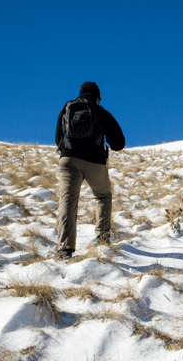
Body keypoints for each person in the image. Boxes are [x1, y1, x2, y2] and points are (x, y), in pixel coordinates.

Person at [55, 82, 125, 260]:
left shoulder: (67, 108)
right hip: (95, 161)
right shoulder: (100, 112)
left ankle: (65, 249)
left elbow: (58, 137)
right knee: (103, 196)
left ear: (80, 95)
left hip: (68, 160)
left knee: (67, 202)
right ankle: (102, 238)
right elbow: (119, 143)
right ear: (97, 98)